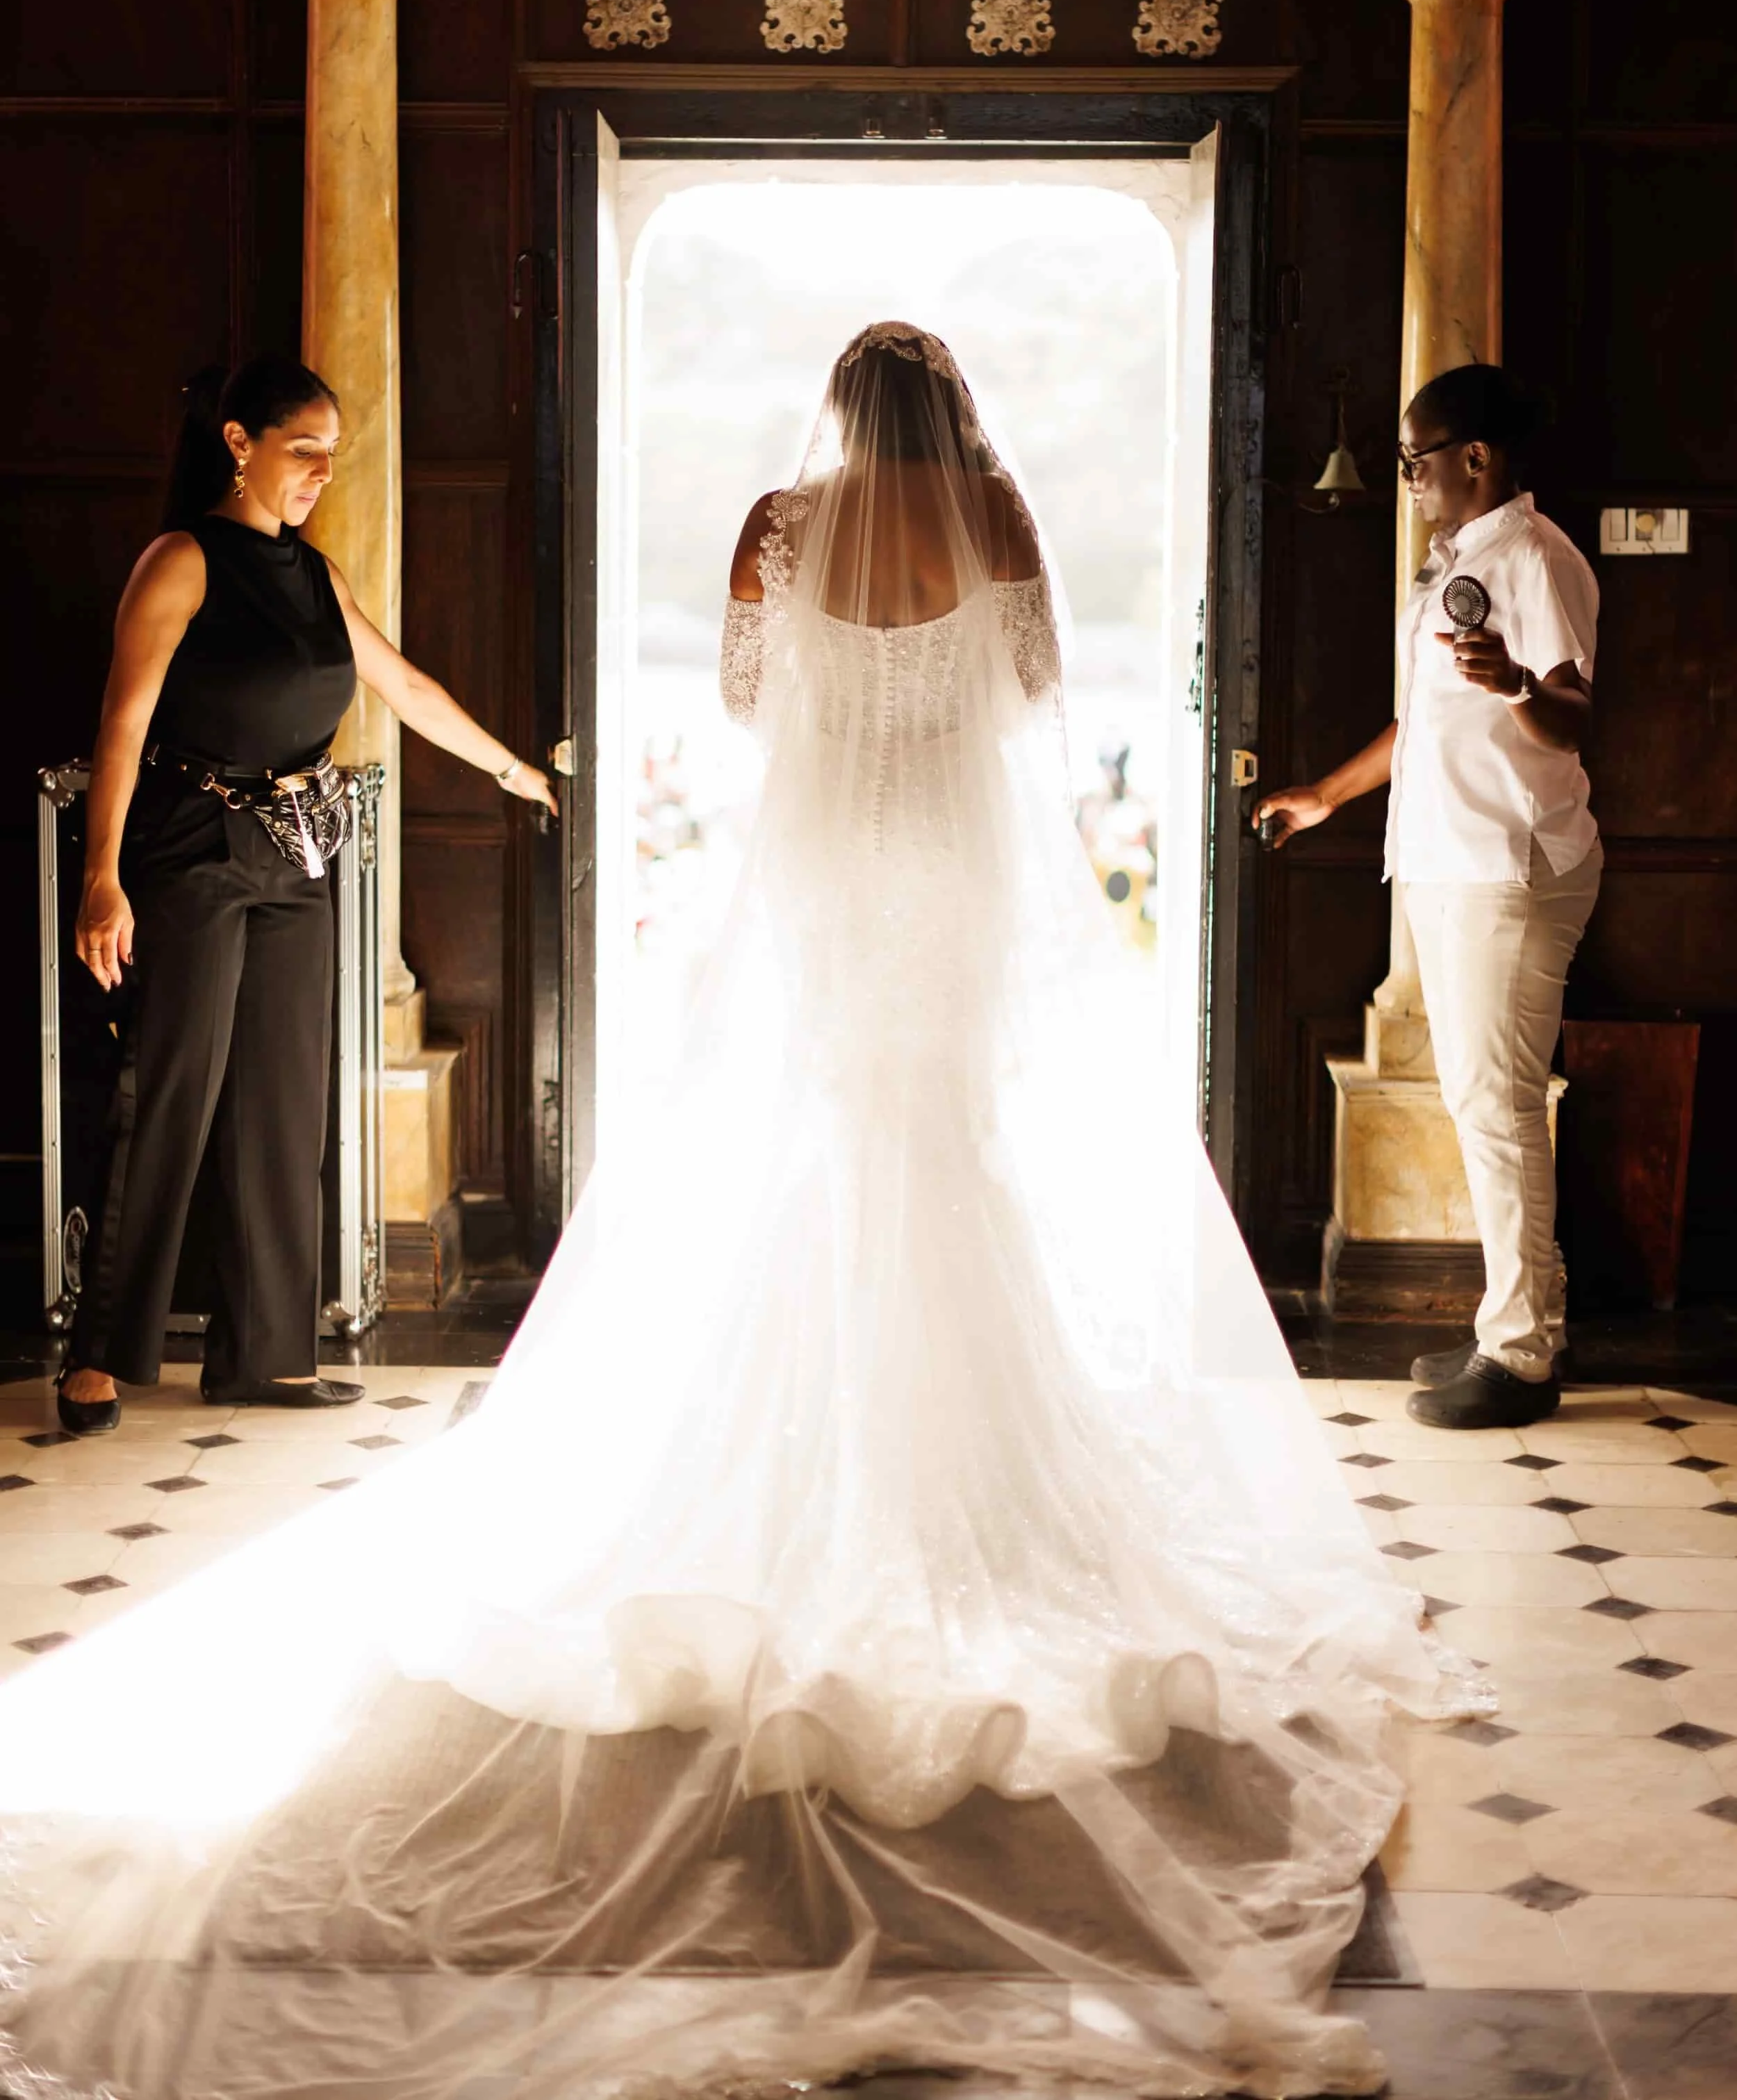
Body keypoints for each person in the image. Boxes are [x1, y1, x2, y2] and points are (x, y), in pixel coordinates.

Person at [0, 327, 1481, 2100]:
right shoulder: (1004, 511)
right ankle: (964, 1475)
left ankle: (804, 1445)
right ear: (955, 414)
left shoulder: (780, 520)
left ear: (835, 420)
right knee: (949, 1151)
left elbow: (748, 708)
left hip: (829, 881)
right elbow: (1026, 700)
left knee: (822, 1147)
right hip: (946, 874)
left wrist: (842, 684)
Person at [58, 354, 555, 1438]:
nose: (324, 473)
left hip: (296, 855)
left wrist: (520, 774)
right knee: (169, 1094)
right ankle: (99, 1358)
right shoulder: (180, 561)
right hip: (190, 847)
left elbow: (407, 686)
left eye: (334, 456)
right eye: (304, 452)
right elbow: (123, 724)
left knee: (286, 1106)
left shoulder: (317, 576)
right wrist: (102, 878)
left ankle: (266, 1355)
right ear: (240, 443)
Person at [1259, 363, 1599, 1432]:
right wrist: (1325, 795)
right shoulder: (1455, 564)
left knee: (1497, 1106)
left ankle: (1523, 1355)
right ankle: (1513, 1321)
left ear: (1476, 458)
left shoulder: (1537, 561)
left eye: (1415, 458)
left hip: (1510, 865)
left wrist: (1514, 687)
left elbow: (1574, 712)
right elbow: (1425, 724)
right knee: (1480, 1101)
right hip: (1451, 861)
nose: (1407, 476)